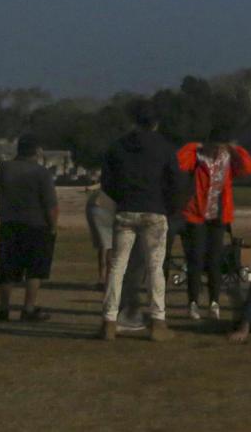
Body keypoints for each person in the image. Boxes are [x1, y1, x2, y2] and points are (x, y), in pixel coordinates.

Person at [97, 100, 183, 341]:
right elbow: (175, 182)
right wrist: (170, 207)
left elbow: (107, 182)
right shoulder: (165, 148)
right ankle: (158, 321)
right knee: (155, 267)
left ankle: (109, 320)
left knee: (117, 267)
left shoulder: (118, 146)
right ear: (156, 123)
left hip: (126, 209)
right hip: (154, 210)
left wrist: (123, 197)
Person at [175, 124, 251, 321]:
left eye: (221, 146)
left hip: (218, 216)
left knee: (215, 260)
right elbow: (178, 163)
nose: (217, 150)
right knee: (195, 260)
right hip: (196, 214)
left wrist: (235, 149)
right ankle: (193, 302)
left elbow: (249, 167)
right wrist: (195, 147)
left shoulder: (229, 158)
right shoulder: (197, 156)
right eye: (215, 146)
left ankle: (214, 302)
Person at [0, 134, 59, 322]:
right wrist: (53, 226)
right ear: (37, 151)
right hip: (36, 224)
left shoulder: (4, 168)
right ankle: (28, 307)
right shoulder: (41, 173)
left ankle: (3, 307)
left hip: (9, 221)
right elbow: (50, 205)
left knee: (7, 267)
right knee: (34, 268)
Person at [84, 184, 116, 288]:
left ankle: (103, 277)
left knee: (104, 245)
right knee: (108, 244)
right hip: (105, 205)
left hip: (95, 204)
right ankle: (106, 279)